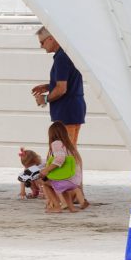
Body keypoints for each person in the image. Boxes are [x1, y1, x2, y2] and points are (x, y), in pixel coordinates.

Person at [31, 26, 89, 204]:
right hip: (73, 108)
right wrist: (49, 85)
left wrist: (45, 98)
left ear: (52, 39)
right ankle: (76, 193)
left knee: (63, 153)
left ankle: (69, 193)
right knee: (71, 152)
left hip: (67, 111)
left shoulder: (62, 58)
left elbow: (62, 89)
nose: (41, 46)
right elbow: (65, 84)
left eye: (42, 42)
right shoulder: (67, 55)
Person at [38, 129, 87, 213]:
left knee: (44, 182)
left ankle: (57, 206)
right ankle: (71, 208)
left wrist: (46, 170)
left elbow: (60, 159)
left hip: (67, 178)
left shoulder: (56, 143)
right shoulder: (69, 145)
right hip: (75, 180)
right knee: (63, 188)